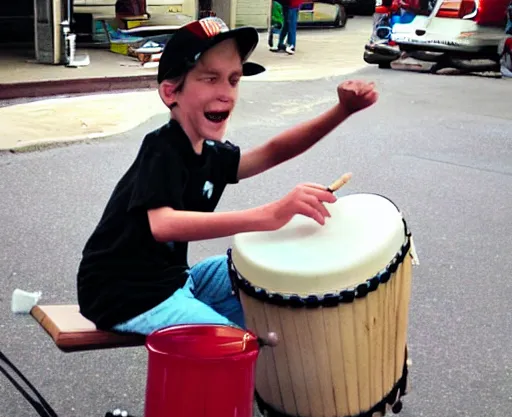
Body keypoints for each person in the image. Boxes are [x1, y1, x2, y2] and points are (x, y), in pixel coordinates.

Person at [76, 16, 378, 336]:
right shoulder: (162, 147)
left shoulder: (210, 153)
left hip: (173, 279)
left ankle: (254, 376)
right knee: (231, 345)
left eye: (233, 80)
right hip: (123, 294)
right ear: (170, 92)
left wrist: (342, 111)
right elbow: (163, 224)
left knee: (269, 280)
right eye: (210, 79)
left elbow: (273, 151)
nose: (225, 93)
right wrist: (270, 214)